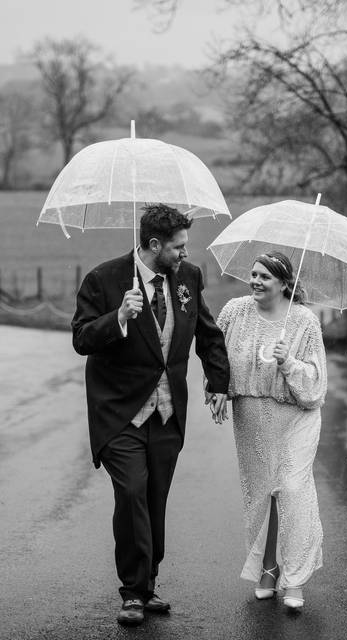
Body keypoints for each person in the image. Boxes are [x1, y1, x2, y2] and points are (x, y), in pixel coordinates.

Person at [72, 204, 229, 626]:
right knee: (132, 493)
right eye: (178, 246)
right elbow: (82, 338)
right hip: (119, 413)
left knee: (155, 498)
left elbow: (208, 335)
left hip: (167, 412)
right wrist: (118, 317)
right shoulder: (104, 280)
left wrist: (218, 383)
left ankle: (148, 584)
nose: (184, 252)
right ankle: (132, 591)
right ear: (154, 244)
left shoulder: (189, 278)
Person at [215, 250, 327, 612]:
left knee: (292, 489)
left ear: (283, 283)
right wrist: (216, 388)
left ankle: (295, 579)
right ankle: (268, 568)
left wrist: (288, 362)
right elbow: (213, 353)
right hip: (250, 415)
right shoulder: (234, 312)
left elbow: (316, 386)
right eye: (254, 274)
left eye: (264, 276)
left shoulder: (305, 321)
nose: (256, 282)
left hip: (296, 416)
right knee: (263, 494)